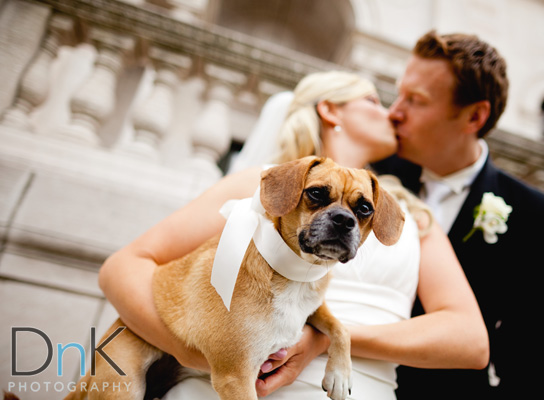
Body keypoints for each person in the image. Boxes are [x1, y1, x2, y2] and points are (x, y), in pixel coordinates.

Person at [97, 71, 489, 399]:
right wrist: (195, 349)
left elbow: (470, 341)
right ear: (330, 109)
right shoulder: (259, 186)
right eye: (374, 100)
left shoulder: (411, 214)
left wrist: (326, 339)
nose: (392, 113)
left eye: (360, 211)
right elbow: (122, 268)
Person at [372, 31, 544, 399]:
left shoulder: (539, 221)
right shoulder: (365, 172)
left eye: (415, 101)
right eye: (399, 94)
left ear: (474, 116)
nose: (394, 112)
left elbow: (537, 374)